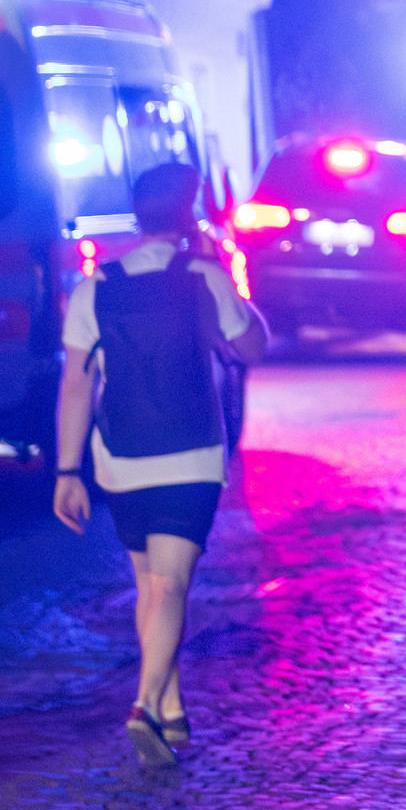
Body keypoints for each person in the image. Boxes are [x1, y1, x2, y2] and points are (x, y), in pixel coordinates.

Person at [53, 163, 266, 766]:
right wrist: (228, 283)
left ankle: (171, 711)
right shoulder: (202, 276)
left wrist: (67, 472)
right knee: (171, 585)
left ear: (137, 216)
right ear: (188, 215)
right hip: (192, 453)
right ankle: (145, 703)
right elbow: (252, 345)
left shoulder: (96, 287)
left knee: (150, 585)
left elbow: (75, 384)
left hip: (122, 460)